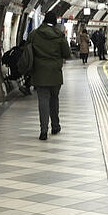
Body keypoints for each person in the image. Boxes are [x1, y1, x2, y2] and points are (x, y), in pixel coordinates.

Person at [27, 11, 71, 140]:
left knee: (43, 101)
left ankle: (43, 130)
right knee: (54, 99)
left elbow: (28, 51)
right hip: (55, 73)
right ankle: (55, 125)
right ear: (55, 22)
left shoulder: (34, 34)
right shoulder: (59, 35)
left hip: (39, 73)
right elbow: (67, 53)